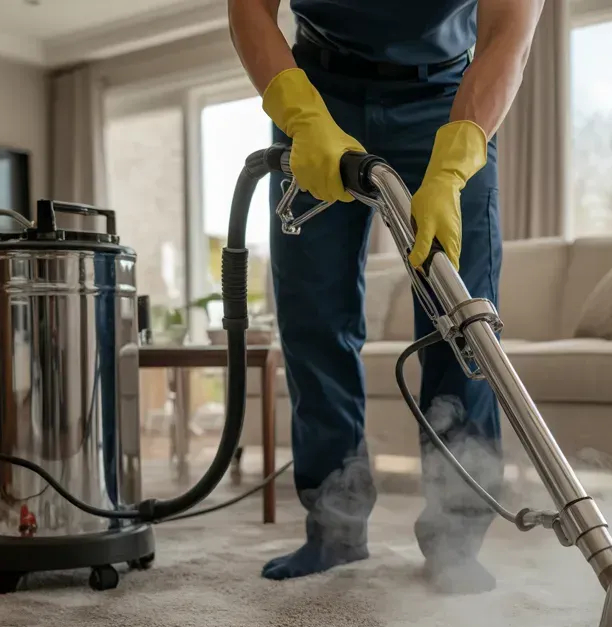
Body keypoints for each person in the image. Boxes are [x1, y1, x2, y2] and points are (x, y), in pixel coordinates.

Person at [228, 0, 544, 593]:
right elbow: (248, 9)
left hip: (447, 98)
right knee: (314, 318)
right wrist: (302, 118)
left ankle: (456, 538)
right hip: (317, 91)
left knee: (462, 322)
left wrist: (451, 169)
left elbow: (509, 36)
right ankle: (335, 526)